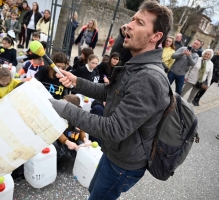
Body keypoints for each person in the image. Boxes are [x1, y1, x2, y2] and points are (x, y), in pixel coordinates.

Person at [49, 1, 173, 199]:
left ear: (156, 36)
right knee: (94, 192)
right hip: (113, 153)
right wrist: (77, 82)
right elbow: (110, 93)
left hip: (123, 165)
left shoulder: (148, 78)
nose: (129, 26)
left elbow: (113, 129)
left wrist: (64, 108)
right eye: (132, 20)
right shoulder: (136, 65)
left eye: (140, 23)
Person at [53, 94, 89, 171]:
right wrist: (67, 142)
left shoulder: (78, 116)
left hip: (72, 139)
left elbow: (81, 130)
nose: (61, 105)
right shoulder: (59, 115)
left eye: (64, 104)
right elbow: (57, 132)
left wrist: (85, 139)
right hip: (61, 140)